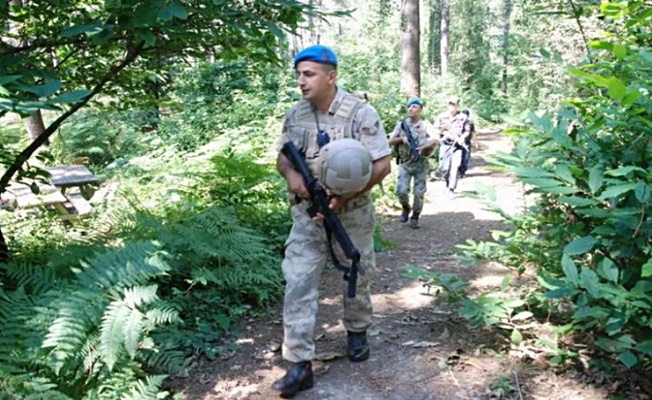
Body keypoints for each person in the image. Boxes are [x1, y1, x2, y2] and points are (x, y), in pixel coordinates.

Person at [273, 44, 391, 398]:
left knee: (357, 272)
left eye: (308, 74)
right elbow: (282, 158)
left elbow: (382, 164)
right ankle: (299, 365)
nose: (301, 82)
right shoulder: (296, 115)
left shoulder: (360, 113)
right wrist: (292, 178)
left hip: (351, 213)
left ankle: (357, 332)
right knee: (297, 280)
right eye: (298, 75)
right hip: (307, 214)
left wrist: (345, 197)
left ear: (331, 75)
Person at [387, 97, 438, 229]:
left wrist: (425, 147)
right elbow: (390, 141)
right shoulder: (402, 125)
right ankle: (405, 208)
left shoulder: (426, 125)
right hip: (405, 163)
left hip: (421, 163)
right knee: (401, 190)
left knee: (419, 193)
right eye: (409, 106)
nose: (411, 109)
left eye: (415, 107)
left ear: (420, 110)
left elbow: (435, 139)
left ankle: (415, 216)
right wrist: (402, 139)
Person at [435, 96, 468, 195]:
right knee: (444, 168)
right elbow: (436, 129)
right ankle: (447, 182)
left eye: (453, 104)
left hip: (457, 147)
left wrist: (462, 138)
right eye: (450, 104)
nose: (451, 106)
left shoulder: (463, 117)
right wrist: (444, 134)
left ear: (458, 105)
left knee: (455, 167)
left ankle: (451, 188)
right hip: (445, 145)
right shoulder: (441, 116)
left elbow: (467, 130)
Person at [458, 109, 476, 178]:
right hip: (461, 142)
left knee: (464, 157)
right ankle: (461, 171)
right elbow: (473, 133)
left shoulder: (469, 123)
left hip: (463, 142)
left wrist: (476, 143)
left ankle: (461, 171)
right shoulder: (458, 121)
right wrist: (476, 143)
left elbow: (473, 133)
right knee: (464, 157)